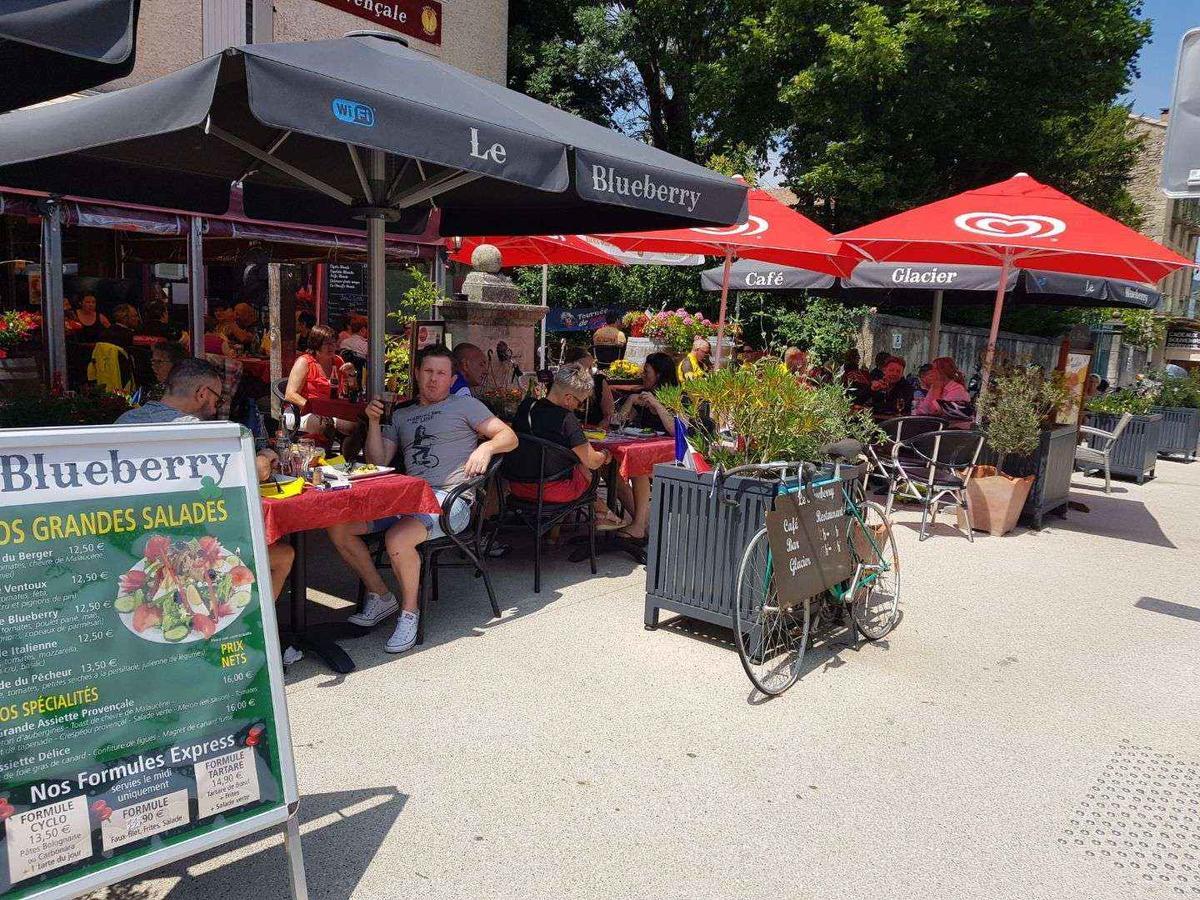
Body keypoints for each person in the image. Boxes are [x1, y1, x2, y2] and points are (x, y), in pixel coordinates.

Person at [327, 345, 518, 654]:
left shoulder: (465, 406)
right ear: (416, 374)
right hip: (406, 498)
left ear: (452, 377)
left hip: (450, 500)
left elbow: (509, 437)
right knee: (339, 527)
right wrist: (374, 423)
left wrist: (485, 448)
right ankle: (382, 597)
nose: (433, 380)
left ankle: (409, 613)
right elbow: (378, 461)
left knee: (397, 538)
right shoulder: (402, 414)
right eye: (428, 372)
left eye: (441, 374)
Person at [507, 364, 627, 529]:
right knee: (584, 470)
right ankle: (603, 514)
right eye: (580, 403)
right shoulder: (566, 419)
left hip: (516, 486)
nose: (579, 408)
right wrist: (605, 455)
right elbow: (592, 461)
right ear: (568, 398)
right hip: (551, 491)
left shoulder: (527, 406)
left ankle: (600, 515)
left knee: (576, 465)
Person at [609, 352, 678, 541]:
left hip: (673, 455)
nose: (642, 375)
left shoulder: (677, 397)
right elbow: (619, 423)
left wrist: (657, 404)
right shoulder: (642, 396)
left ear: (659, 375)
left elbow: (675, 430)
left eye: (646, 372)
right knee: (610, 469)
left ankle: (638, 525)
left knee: (638, 467)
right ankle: (642, 523)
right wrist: (631, 400)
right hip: (647, 452)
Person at [284, 324, 358, 436]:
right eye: (327, 343)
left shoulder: (338, 361)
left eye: (333, 342)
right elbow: (290, 394)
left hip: (330, 412)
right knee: (323, 425)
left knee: (357, 426)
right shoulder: (304, 362)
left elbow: (351, 392)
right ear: (316, 344)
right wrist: (315, 409)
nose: (331, 347)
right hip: (301, 412)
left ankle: (347, 453)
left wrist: (351, 375)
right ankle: (322, 453)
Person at [563, 346, 615, 428]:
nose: (587, 371)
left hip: (596, 434)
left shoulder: (598, 382)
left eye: (590, 367)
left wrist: (598, 430)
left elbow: (609, 415)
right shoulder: (561, 386)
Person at [914, 357, 973, 426]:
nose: (931, 374)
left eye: (933, 370)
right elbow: (922, 410)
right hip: (936, 428)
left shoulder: (957, 389)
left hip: (953, 431)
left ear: (941, 372)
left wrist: (937, 390)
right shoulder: (935, 386)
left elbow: (935, 411)